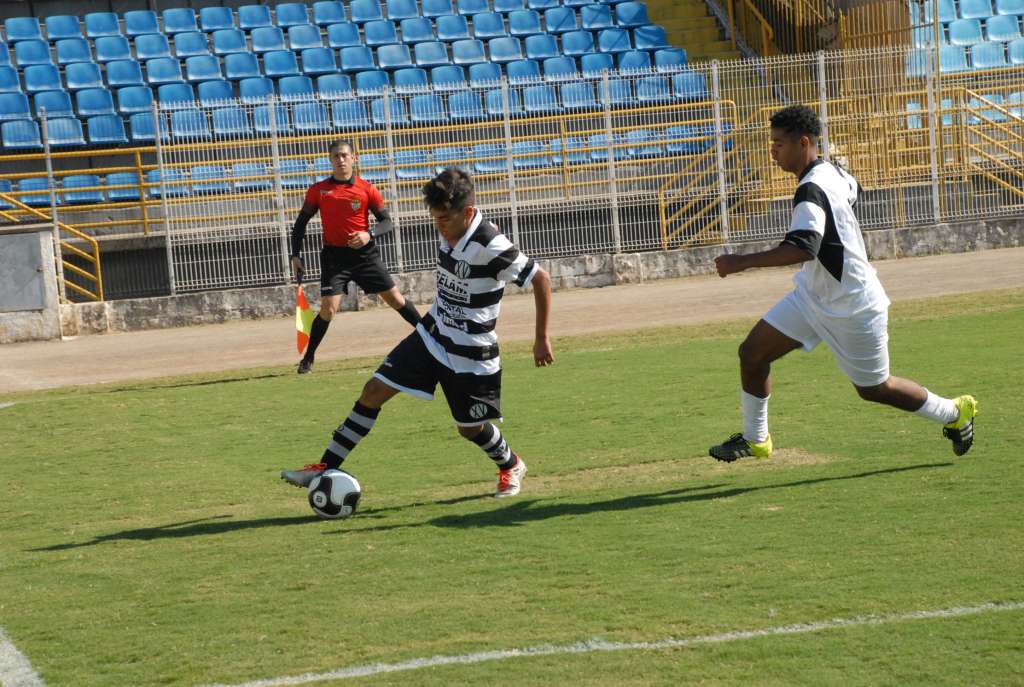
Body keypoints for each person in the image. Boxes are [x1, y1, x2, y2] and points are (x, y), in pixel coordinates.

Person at [708, 104, 977, 462]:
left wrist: (740, 262)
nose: (772, 151)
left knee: (875, 388)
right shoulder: (832, 171)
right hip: (813, 296)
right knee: (752, 353)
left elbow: (802, 247)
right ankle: (756, 439)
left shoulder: (810, 189)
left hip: (854, 305)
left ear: (803, 143)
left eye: (779, 144)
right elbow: (854, 190)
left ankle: (955, 412)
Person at [281, 167, 555, 498]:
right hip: (432, 334)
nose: (439, 226)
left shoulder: (490, 244)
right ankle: (325, 467)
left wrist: (541, 338)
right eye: (435, 218)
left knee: (469, 429)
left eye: (445, 219)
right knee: (373, 391)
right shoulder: (452, 227)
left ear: (468, 213)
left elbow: (541, 279)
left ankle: (510, 464)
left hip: (470, 351)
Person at [290, 139, 421, 374]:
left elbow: (387, 222)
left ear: (353, 158)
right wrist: (295, 255)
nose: (340, 160)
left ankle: (432, 338)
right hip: (334, 257)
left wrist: (369, 234)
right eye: (336, 156)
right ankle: (308, 358)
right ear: (330, 160)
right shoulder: (319, 190)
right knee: (328, 310)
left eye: (344, 155)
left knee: (396, 300)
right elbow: (300, 224)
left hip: (365, 256)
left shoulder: (367, 188)